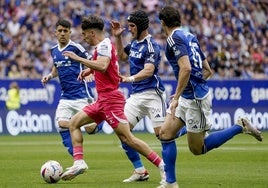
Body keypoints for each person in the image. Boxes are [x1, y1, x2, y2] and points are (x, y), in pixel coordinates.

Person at [157, 6, 263, 188]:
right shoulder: (190, 36)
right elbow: (208, 70)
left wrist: (177, 97)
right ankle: (170, 183)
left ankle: (240, 126)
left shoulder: (173, 39)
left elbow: (187, 68)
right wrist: (182, 91)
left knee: (197, 149)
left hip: (195, 99)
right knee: (165, 134)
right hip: (189, 95)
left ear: (162, 23)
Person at [60, 15, 165, 182]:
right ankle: (79, 162)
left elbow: (102, 65)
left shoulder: (103, 45)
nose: (84, 37)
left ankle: (161, 165)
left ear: (92, 33)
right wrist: (89, 71)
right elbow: (108, 64)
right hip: (102, 100)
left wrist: (78, 59)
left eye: (85, 34)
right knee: (73, 123)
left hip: (111, 100)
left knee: (128, 139)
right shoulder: (103, 46)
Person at [110, 9, 170, 183]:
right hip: (136, 95)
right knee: (122, 131)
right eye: (129, 26)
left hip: (153, 94)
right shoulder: (134, 43)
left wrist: (130, 78)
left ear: (142, 26)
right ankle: (140, 170)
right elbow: (121, 56)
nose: (129, 29)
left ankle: (180, 128)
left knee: (162, 135)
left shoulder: (152, 45)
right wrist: (118, 37)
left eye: (132, 26)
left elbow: (149, 70)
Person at [41, 19, 101, 156]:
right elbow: (57, 67)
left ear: (70, 33)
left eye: (65, 31)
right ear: (55, 33)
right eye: (60, 31)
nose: (62, 33)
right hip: (66, 96)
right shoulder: (54, 50)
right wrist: (49, 76)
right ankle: (77, 157)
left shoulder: (76, 48)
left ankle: (100, 120)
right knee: (60, 124)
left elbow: (93, 61)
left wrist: (89, 71)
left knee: (91, 129)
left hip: (81, 95)